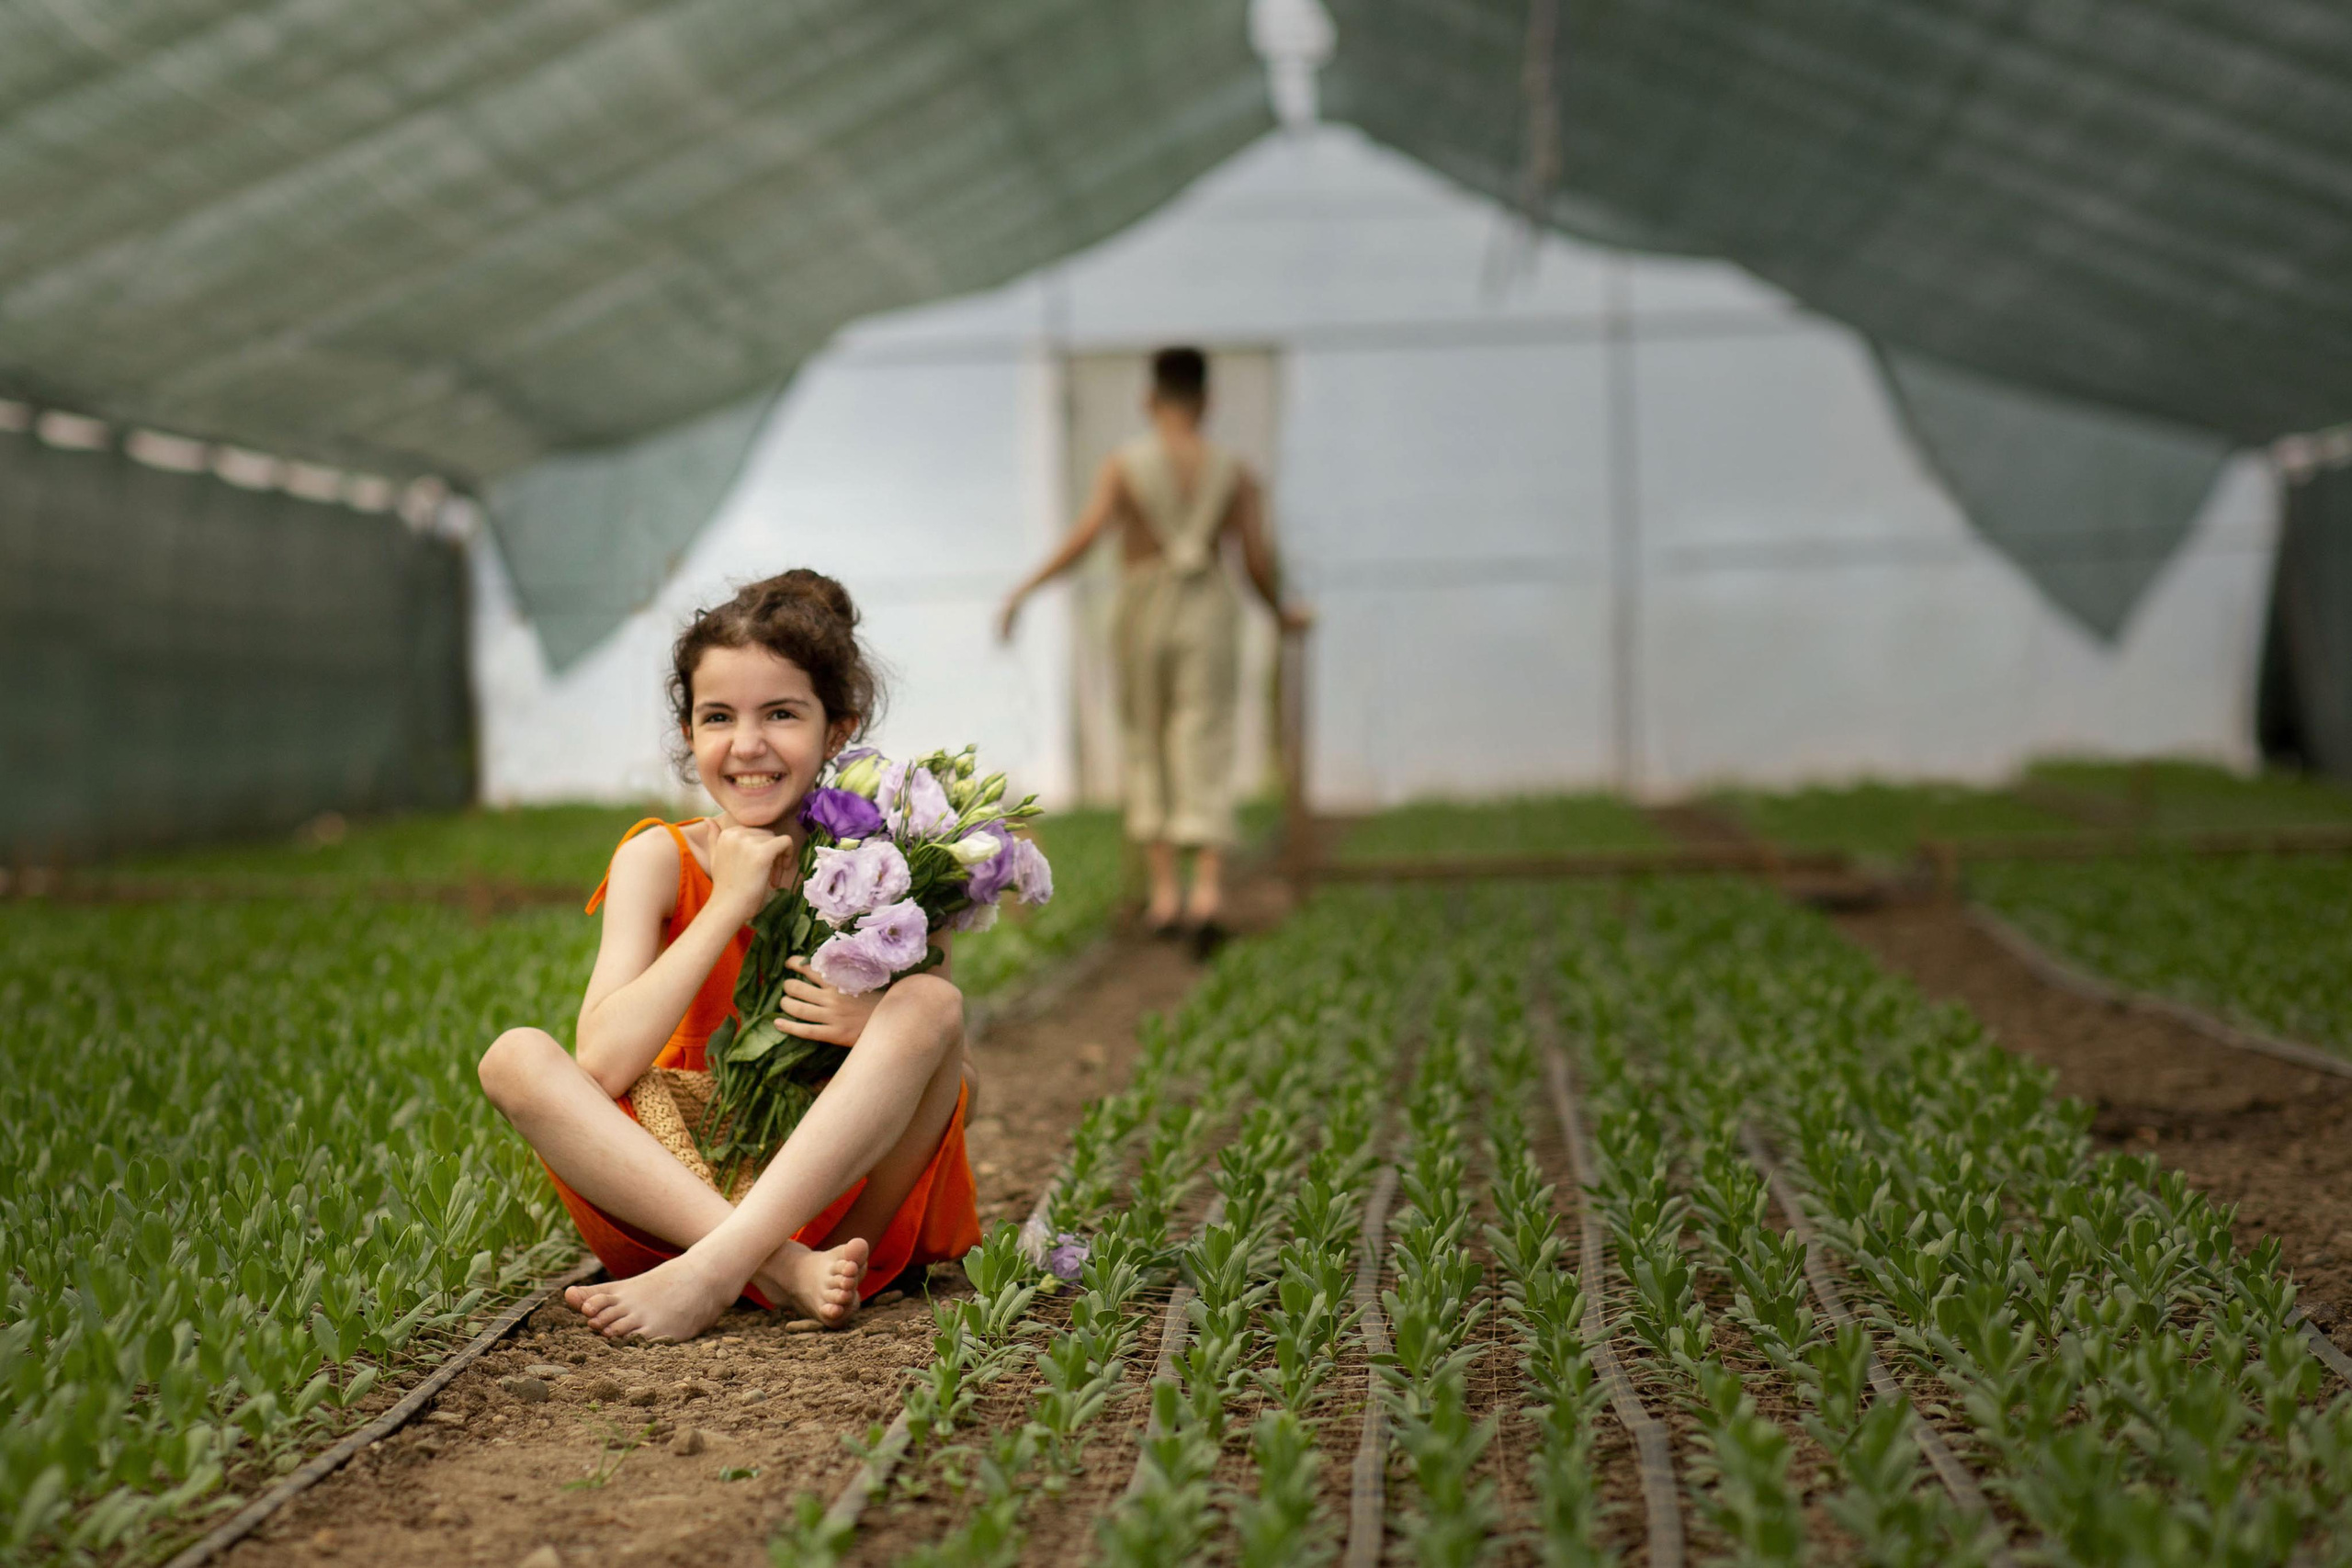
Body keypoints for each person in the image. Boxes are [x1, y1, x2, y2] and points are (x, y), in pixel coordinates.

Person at [477, 570, 980, 1341]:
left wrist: (871, 1022)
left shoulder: (894, 866)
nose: (747, 745)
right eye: (718, 717)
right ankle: (767, 1267)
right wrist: (727, 905)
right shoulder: (658, 858)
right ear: (689, 735)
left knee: (934, 1005)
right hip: (672, 1210)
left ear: (837, 729)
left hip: (843, 1214)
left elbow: (957, 1081)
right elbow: (604, 1061)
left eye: (781, 713)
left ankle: (722, 1270)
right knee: (514, 1057)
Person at [999, 346, 1311, 950]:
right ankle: (1207, 889)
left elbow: (1087, 537)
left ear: (1151, 399)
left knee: (1146, 737)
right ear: (1206, 401)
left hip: (1143, 606)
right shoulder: (1233, 470)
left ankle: (1165, 893)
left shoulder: (1125, 465)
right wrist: (1281, 614)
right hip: (1209, 610)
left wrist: (1025, 590)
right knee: (1206, 735)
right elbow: (1254, 559)